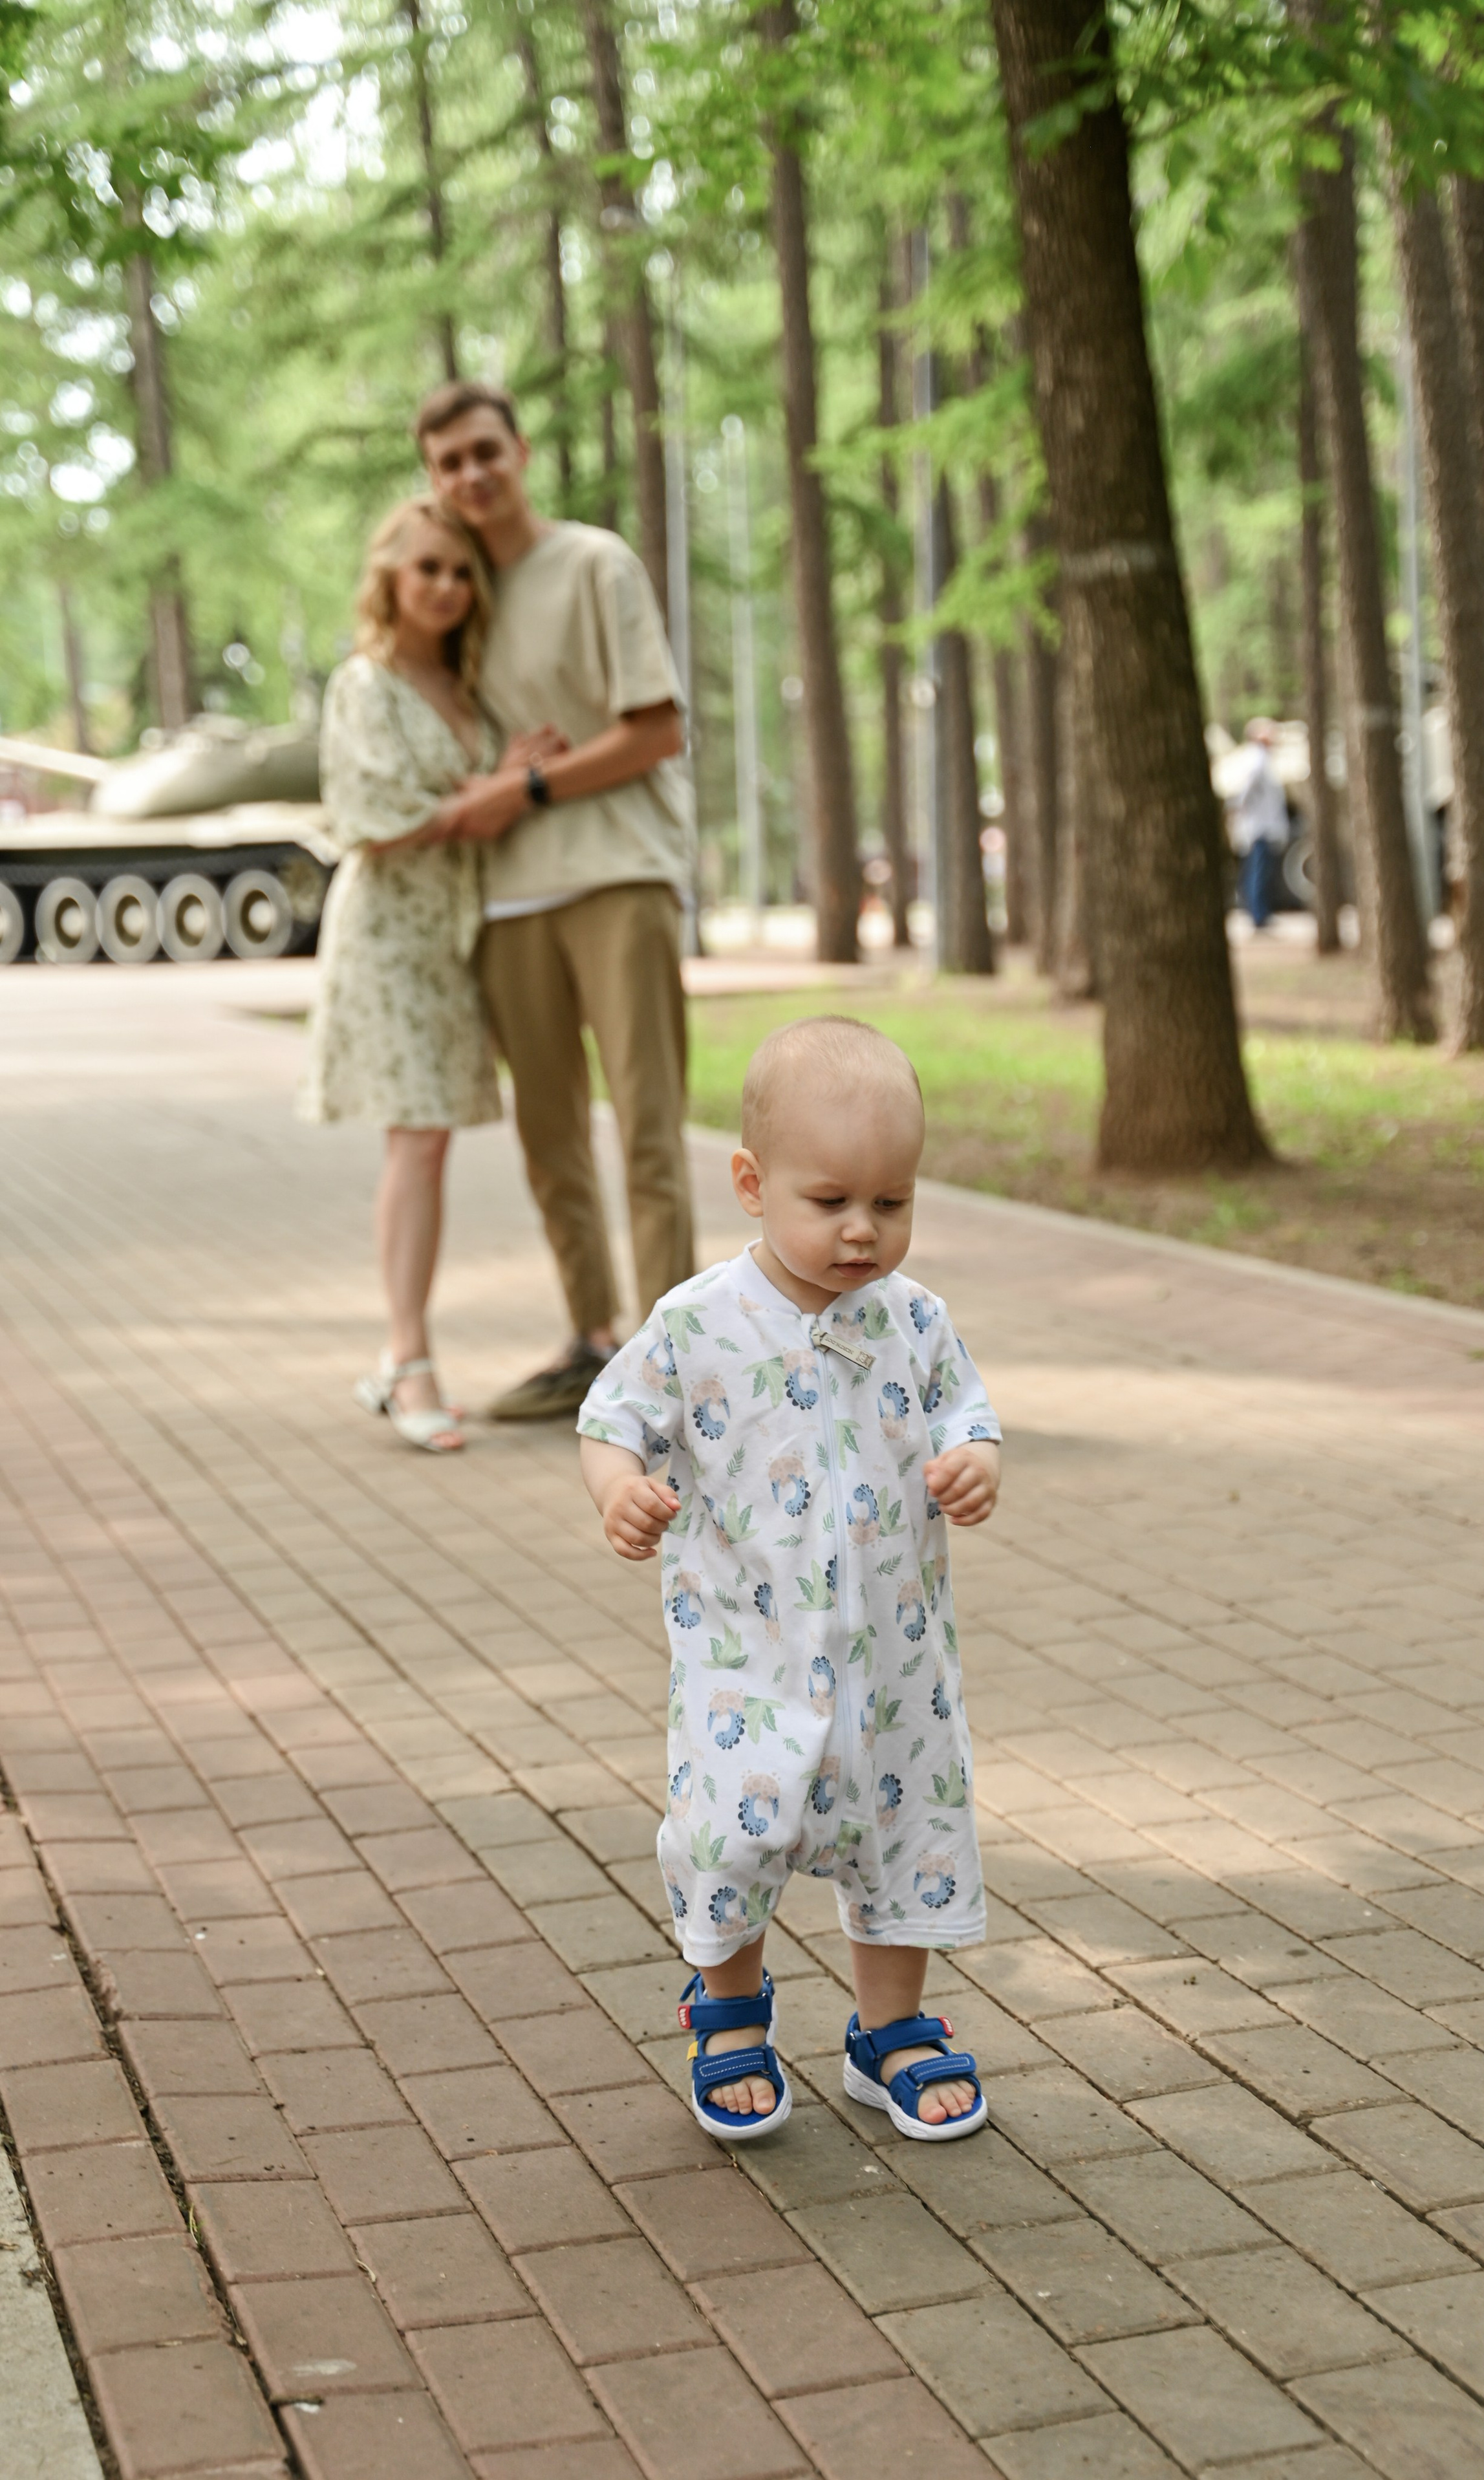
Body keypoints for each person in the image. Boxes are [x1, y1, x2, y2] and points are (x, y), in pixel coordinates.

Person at [577, 1017, 1002, 2144]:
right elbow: (612, 1418)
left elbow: (967, 1408)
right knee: (731, 1832)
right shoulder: (698, 1322)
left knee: (904, 1824)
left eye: (893, 1203)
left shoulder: (914, 1321)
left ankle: (890, 2030)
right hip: (746, 1657)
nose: (864, 1232)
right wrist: (617, 1486)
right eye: (831, 1204)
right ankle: (727, 2009)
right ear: (753, 1185)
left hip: (893, 1657)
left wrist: (975, 1460)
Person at [415, 378, 696, 1422]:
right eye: (449, 464)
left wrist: (521, 788)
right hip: (510, 904)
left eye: (486, 451)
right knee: (549, 1139)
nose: (472, 475)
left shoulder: (593, 562)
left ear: (520, 450)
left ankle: (677, 1365)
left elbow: (655, 730)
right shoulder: (454, 596)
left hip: (617, 875)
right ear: (433, 479)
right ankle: (593, 1341)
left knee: (649, 1125)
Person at [299, 495, 558, 1451]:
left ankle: (396, 1352)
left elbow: (480, 805)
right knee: (416, 1140)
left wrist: (496, 788)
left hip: (458, 936)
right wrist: (497, 790)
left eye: (460, 571)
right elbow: (384, 813)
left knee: (434, 1140)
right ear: (392, 579)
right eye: (428, 570)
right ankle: (410, 1359)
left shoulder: (469, 685)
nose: (446, 586)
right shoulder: (363, 683)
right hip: (391, 937)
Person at [1227, 717, 1291, 931]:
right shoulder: (1257, 759)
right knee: (1258, 872)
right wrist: (1239, 809)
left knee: (1259, 870)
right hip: (1258, 828)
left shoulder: (1262, 759)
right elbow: (1247, 790)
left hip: (1262, 826)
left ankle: (1259, 913)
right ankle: (1258, 915)